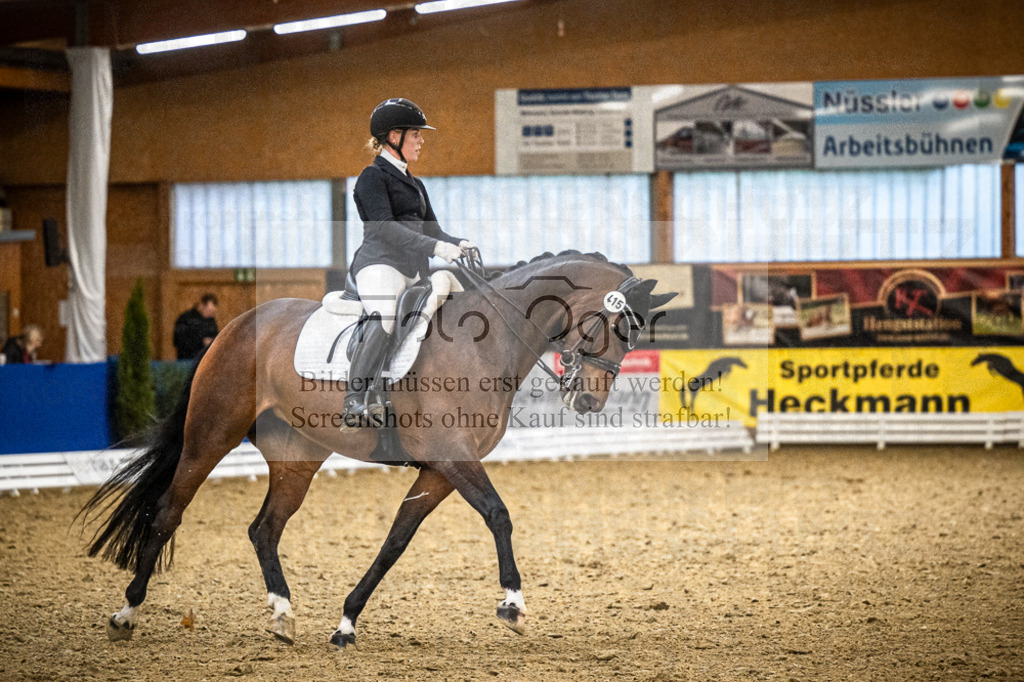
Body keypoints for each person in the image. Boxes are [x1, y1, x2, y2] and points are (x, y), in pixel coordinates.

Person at [343, 97, 476, 424]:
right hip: (380, 264)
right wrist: (436, 248)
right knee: (386, 313)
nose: (421, 140)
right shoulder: (371, 177)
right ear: (394, 137)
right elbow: (385, 228)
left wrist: (456, 243)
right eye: (415, 134)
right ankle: (354, 399)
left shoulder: (415, 184)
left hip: (414, 270)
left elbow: (434, 230)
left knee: (454, 303)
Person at [173, 293, 219, 360]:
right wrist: (201, 341)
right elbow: (178, 340)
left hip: (205, 359)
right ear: (201, 305)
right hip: (187, 359)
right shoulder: (185, 319)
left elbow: (214, 335)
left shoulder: (211, 321)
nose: (210, 315)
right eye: (209, 311)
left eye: (212, 312)